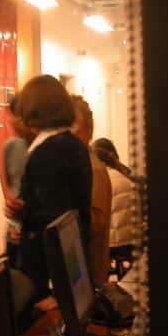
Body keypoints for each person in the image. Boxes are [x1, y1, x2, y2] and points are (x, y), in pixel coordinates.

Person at [9, 75, 92, 299]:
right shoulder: (75, 144)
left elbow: (56, 217)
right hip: (72, 255)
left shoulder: (46, 151)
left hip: (47, 264)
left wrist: (23, 213)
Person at [70, 95, 113, 288]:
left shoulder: (92, 168)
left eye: (73, 127)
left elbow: (95, 222)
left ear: (88, 130)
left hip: (89, 273)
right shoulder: (79, 163)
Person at [93, 137, 137, 277]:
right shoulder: (124, 175)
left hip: (114, 244)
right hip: (132, 240)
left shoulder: (103, 180)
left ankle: (96, 284)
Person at [0, 95, 35, 261]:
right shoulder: (10, 147)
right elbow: (10, 186)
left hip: (34, 229)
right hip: (14, 226)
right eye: (11, 115)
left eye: (18, 116)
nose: (13, 121)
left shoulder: (45, 149)